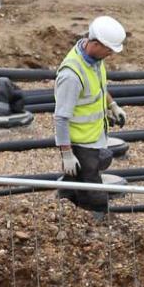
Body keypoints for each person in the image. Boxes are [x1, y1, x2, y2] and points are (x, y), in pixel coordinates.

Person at [54, 15, 127, 213]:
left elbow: (100, 87)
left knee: (76, 178)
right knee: (92, 185)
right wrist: (67, 153)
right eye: (109, 49)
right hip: (80, 142)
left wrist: (113, 105)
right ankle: (97, 218)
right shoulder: (71, 75)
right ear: (95, 44)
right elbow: (61, 118)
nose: (111, 53)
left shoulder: (95, 60)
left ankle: (63, 207)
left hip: (94, 135)